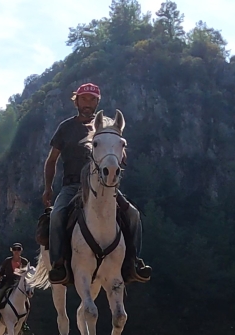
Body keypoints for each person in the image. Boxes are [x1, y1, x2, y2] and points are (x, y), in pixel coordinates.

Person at [41, 82, 152, 285]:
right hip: (72, 186)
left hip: (103, 186)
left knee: (133, 214)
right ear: (76, 100)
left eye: (93, 99)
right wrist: (48, 188)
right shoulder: (66, 128)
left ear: (98, 102)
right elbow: (52, 160)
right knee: (57, 215)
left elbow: (119, 153)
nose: (88, 103)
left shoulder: (107, 125)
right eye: (84, 98)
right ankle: (58, 264)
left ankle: (133, 262)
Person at [0, 243, 29, 332]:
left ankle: (23, 323)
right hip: (7, 283)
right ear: (12, 250)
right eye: (14, 249)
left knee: (27, 304)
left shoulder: (24, 262)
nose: (16, 251)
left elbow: (27, 275)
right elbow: (0, 273)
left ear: (21, 250)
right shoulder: (7, 261)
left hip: (19, 285)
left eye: (18, 249)